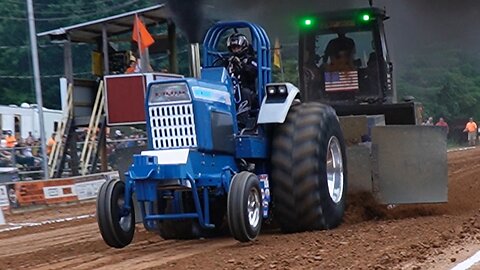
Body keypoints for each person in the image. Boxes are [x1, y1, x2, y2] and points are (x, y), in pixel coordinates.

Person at [225, 33, 258, 129]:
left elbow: (254, 72)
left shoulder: (251, 60)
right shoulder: (227, 61)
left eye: (237, 47)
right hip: (230, 90)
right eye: (233, 48)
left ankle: (241, 122)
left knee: (245, 92)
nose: (235, 50)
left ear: (243, 46)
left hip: (247, 91)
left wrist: (241, 66)